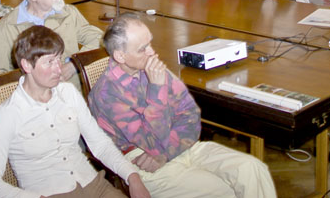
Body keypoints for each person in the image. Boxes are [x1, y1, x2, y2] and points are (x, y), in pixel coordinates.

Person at [89, 14, 277, 198]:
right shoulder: (107, 93)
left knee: (252, 170)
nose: (152, 52)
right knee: (223, 190)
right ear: (120, 56)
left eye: (150, 43)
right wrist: (156, 89)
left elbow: (191, 114)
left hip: (177, 145)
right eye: (142, 49)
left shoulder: (150, 67)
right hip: (141, 161)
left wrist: (167, 152)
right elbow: (152, 142)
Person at [0, 26, 149, 198]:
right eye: (49, 62)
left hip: (94, 185)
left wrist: (132, 176)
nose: (59, 69)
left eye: (59, 59)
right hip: (50, 194)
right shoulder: (9, 113)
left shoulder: (68, 93)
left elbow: (100, 144)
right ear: (26, 65)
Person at [0, 0, 103, 83]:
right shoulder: (4, 28)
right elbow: (0, 78)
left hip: (72, 92)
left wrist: (73, 64)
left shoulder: (69, 14)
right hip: (33, 98)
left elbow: (99, 39)